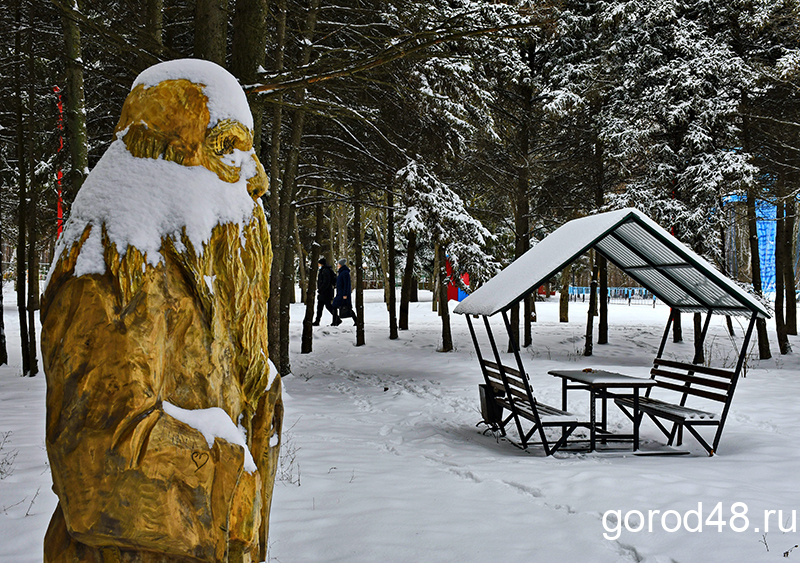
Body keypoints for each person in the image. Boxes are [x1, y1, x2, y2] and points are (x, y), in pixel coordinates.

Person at [313, 257, 339, 326]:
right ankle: (317, 321)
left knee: (328, 306)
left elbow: (326, 282)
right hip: (324, 292)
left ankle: (337, 319)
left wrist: (321, 289)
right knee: (320, 307)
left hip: (326, 293)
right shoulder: (325, 270)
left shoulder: (325, 271)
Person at [332, 258, 358, 326]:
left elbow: (347, 284)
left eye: (338, 264)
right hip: (340, 293)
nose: (337, 265)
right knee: (339, 306)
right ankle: (335, 321)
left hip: (343, 294)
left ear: (341, 265)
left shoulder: (345, 273)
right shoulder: (341, 272)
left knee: (345, 307)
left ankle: (335, 322)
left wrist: (345, 294)